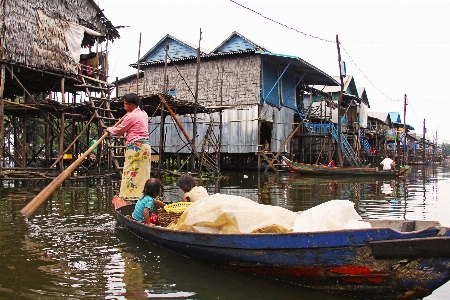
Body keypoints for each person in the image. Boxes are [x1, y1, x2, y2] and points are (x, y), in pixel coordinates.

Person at [107, 93, 151, 201]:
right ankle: (141, 195)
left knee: (130, 172)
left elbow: (119, 131)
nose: (124, 107)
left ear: (132, 105)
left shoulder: (131, 116)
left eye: (126, 104)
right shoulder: (143, 113)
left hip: (136, 147)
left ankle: (129, 197)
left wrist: (110, 129)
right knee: (143, 173)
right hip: (145, 147)